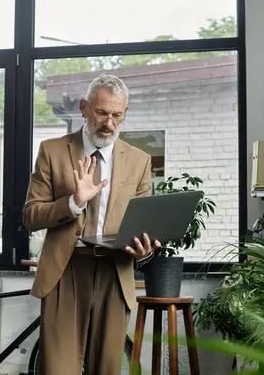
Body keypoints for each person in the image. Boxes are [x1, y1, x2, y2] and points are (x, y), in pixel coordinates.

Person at [23, 73, 160, 374]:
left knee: (107, 368)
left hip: (116, 271)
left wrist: (145, 249)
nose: (108, 123)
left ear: (125, 114)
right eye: (101, 112)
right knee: (57, 368)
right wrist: (74, 202)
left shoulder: (139, 161)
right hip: (66, 270)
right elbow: (30, 215)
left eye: (116, 115)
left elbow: (144, 223)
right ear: (84, 107)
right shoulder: (53, 150)